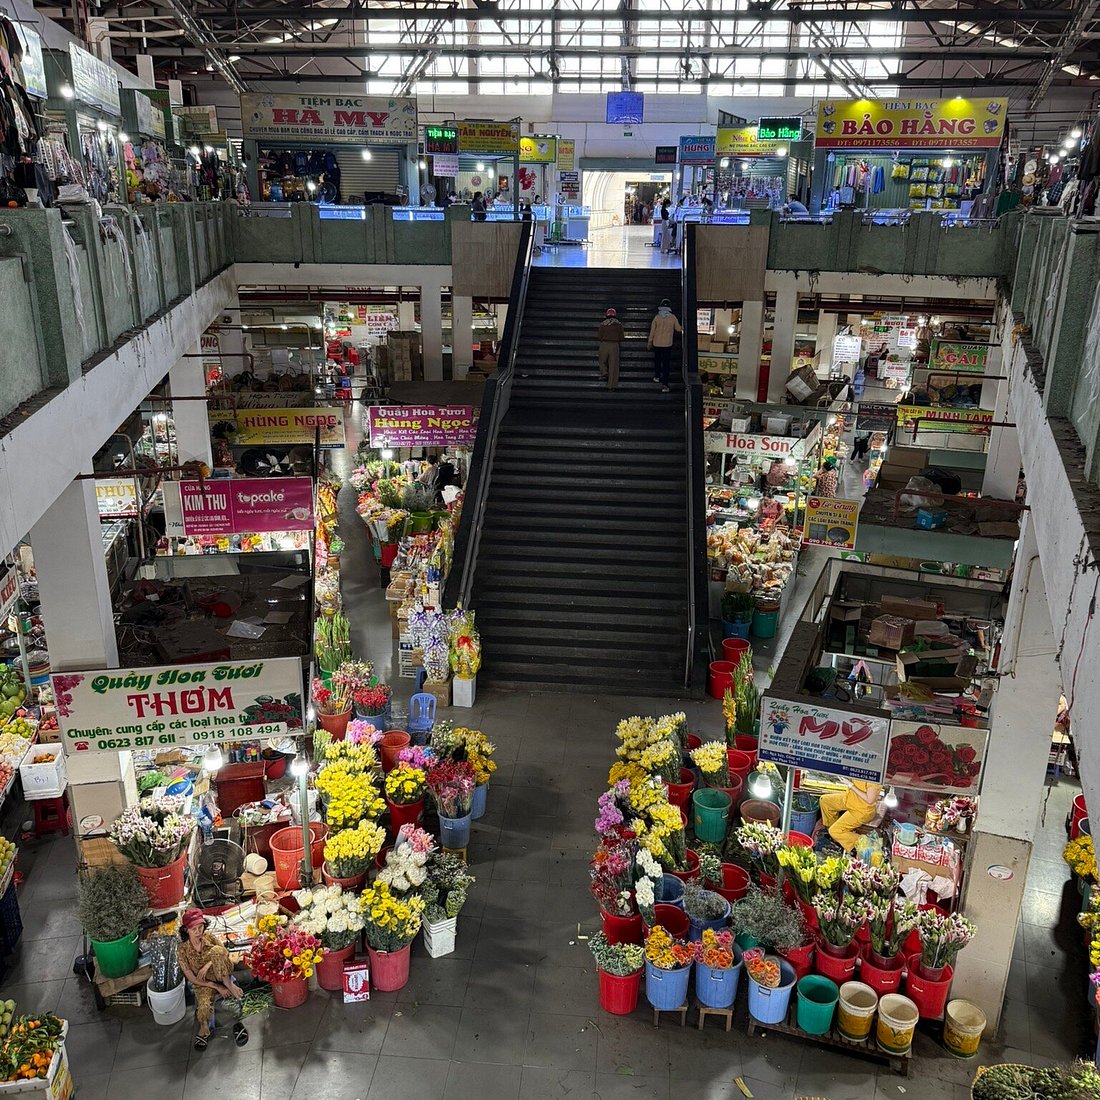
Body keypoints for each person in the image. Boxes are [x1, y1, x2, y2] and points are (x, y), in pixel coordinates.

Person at [177, 908, 246, 1050]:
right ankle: (204, 1030)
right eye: (193, 929)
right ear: (186, 930)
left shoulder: (209, 936)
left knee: (216, 951)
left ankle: (230, 986)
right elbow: (191, 978)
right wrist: (217, 987)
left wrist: (208, 966)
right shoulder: (182, 950)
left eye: (200, 927)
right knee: (204, 1009)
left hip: (221, 972)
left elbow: (224, 952)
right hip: (203, 984)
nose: (198, 932)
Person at [819, 780, 883, 853]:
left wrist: (851, 786)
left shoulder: (873, 778)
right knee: (825, 801)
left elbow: (870, 800)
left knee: (834, 831)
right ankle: (833, 835)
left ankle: (869, 844)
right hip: (850, 798)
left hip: (861, 810)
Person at [647, 298, 682, 393]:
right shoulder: (673, 317)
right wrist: (684, 327)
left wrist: (650, 342)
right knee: (666, 364)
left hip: (657, 344)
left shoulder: (657, 317)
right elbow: (678, 329)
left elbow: (652, 332)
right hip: (667, 344)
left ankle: (657, 376)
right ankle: (665, 385)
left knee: (657, 360)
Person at [596, 307, 625, 391]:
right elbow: (622, 337)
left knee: (602, 360)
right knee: (613, 366)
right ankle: (611, 386)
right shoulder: (619, 325)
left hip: (604, 344)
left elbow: (599, 336)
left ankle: (604, 372)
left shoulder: (603, 324)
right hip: (614, 345)